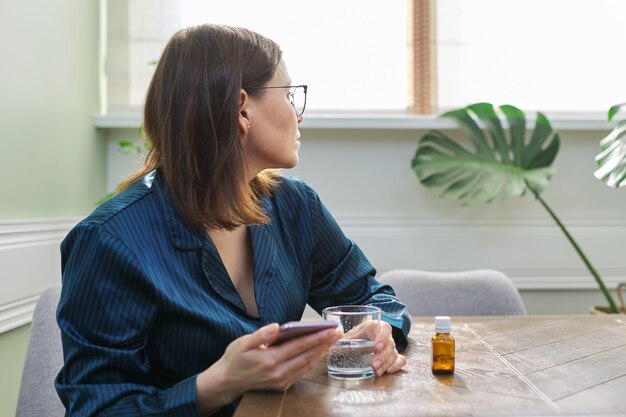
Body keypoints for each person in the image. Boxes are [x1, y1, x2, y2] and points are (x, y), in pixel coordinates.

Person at [55, 24, 411, 417]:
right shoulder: (109, 241)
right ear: (242, 109)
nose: (299, 115)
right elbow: (97, 409)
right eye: (290, 95)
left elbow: (374, 298)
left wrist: (381, 331)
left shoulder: (297, 207)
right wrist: (220, 381)